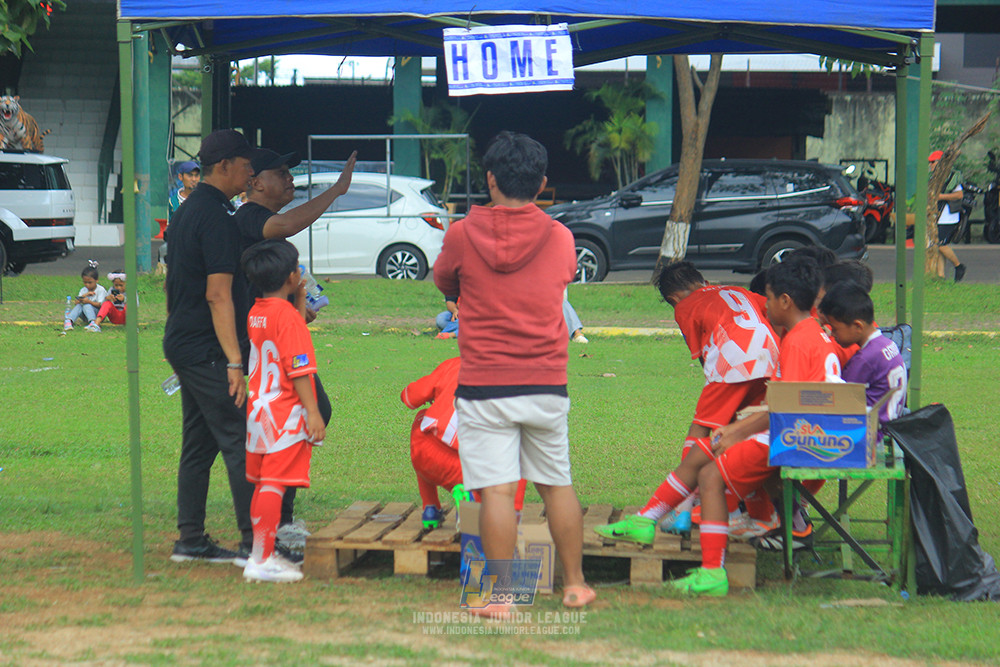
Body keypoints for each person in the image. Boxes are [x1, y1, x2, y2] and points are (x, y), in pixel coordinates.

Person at [596, 258, 841, 596]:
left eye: (768, 299)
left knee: (706, 453)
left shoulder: (798, 342)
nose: (765, 305)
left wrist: (740, 429)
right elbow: (799, 395)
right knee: (707, 456)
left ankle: (695, 543)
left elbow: (788, 403)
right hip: (803, 424)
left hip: (795, 433)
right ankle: (650, 520)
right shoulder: (813, 334)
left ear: (785, 301)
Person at [433, 131, 596, 614]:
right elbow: (562, 276)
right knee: (557, 484)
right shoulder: (561, 236)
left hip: (484, 384)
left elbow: (444, 278)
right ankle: (576, 585)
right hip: (547, 382)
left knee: (497, 490)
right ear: (542, 184)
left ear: (489, 178)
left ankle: (502, 596)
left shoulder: (461, 234)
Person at [234, 146, 356, 551]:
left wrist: (298, 304)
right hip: (273, 365)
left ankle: (275, 521)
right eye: (281, 173)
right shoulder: (252, 215)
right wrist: (337, 190)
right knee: (309, 415)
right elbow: (285, 225)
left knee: (291, 429)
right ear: (255, 183)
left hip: (268, 340)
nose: (290, 179)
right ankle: (275, 529)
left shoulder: (270, 308)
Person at [163, 129, 255, 565]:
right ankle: (256, 543)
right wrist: (234, 361)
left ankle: (191, 540)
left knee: (200, 443)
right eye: (245, 163)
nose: (251, 171)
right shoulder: (216, 217)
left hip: (185, 340)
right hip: (207, 348)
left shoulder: (189, 209)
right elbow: (218, 294)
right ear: (224, 166)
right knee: (241, 437)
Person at [653, 261, 782, 539]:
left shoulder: (685, 307)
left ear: (674, 299)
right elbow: (773, 315)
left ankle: (683, 508)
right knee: (746, 429)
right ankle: (756, 513)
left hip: (733, 365)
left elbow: (703, 356)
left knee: (700, 429)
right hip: (771, 361)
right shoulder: (738, 291)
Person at [240, 239, 326, 583]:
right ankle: (260, 560)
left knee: (264, 485)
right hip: (284, 413)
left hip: (259, 411)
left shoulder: (257, 311)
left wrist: (299, 302)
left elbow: (287, 338)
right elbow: (298, 367)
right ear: (292, 276)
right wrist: (313, 411)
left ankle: (261, 552)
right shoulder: (287, 317)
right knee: (274, 486)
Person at [401, 356, 528, 528]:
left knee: (421, 423)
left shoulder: (454, 364)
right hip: (473, 471)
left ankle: (430, 508)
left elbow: (411, 397)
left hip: (427, 456)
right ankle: (484, 505)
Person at [819, 281, 907, 435]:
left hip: (871, 435)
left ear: (858, 326)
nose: (832, 334)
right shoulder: (886, 344)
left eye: (835, 329)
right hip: (891, 425)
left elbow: (841, 401)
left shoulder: (865, 359)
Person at [928, 150, 967, 282]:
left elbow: (959, 195)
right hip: (939, 216)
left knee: (940, 244)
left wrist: (940, 197)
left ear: (940, 163)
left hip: (949, 217)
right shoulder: (935, 177)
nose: (931, 165)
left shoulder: (952, 176)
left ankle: (958, 266)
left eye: (933, 162)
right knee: (939, 246)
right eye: (930, 162)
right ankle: (941, 276)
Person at [64, 261, 107, 331]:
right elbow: (76, 303)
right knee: (79, 306)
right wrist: (84, 296)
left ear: (97, 280)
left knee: (87, 305)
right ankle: (69, 321)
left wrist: (89, 302)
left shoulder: (100, 290)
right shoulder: (84, 290)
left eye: (90, 282)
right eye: (85, 282)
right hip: (85, 315)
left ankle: (93, 323)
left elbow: (101, 305)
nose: (87, 285)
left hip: (97, 315)